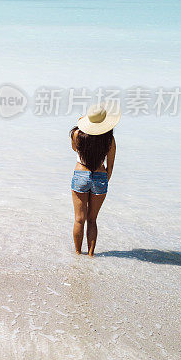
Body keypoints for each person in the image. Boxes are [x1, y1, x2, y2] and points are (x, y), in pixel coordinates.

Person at [69, 104, 120, 256]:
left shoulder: (77, 134)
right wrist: (104, 180)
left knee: (79, 219)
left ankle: (78, 254)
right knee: (92, 220)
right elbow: (110, 167)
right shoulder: (109, 139)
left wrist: (81, 123)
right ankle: (91, 255)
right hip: (100, 176)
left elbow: (74, 149)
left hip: (81, 175)